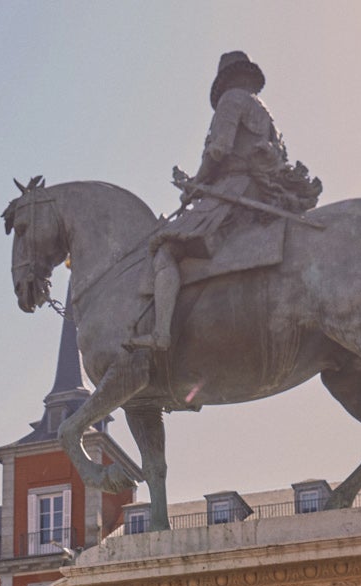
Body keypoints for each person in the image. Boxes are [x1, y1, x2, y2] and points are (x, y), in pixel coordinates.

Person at [125, 51, 320, 362]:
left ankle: (162, 333)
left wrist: (195, 184)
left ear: (225, 81)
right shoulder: (264, 111)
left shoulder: (231, 101)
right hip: (261, 194)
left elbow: (220, 149)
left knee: (165, 249)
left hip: (233, 190)